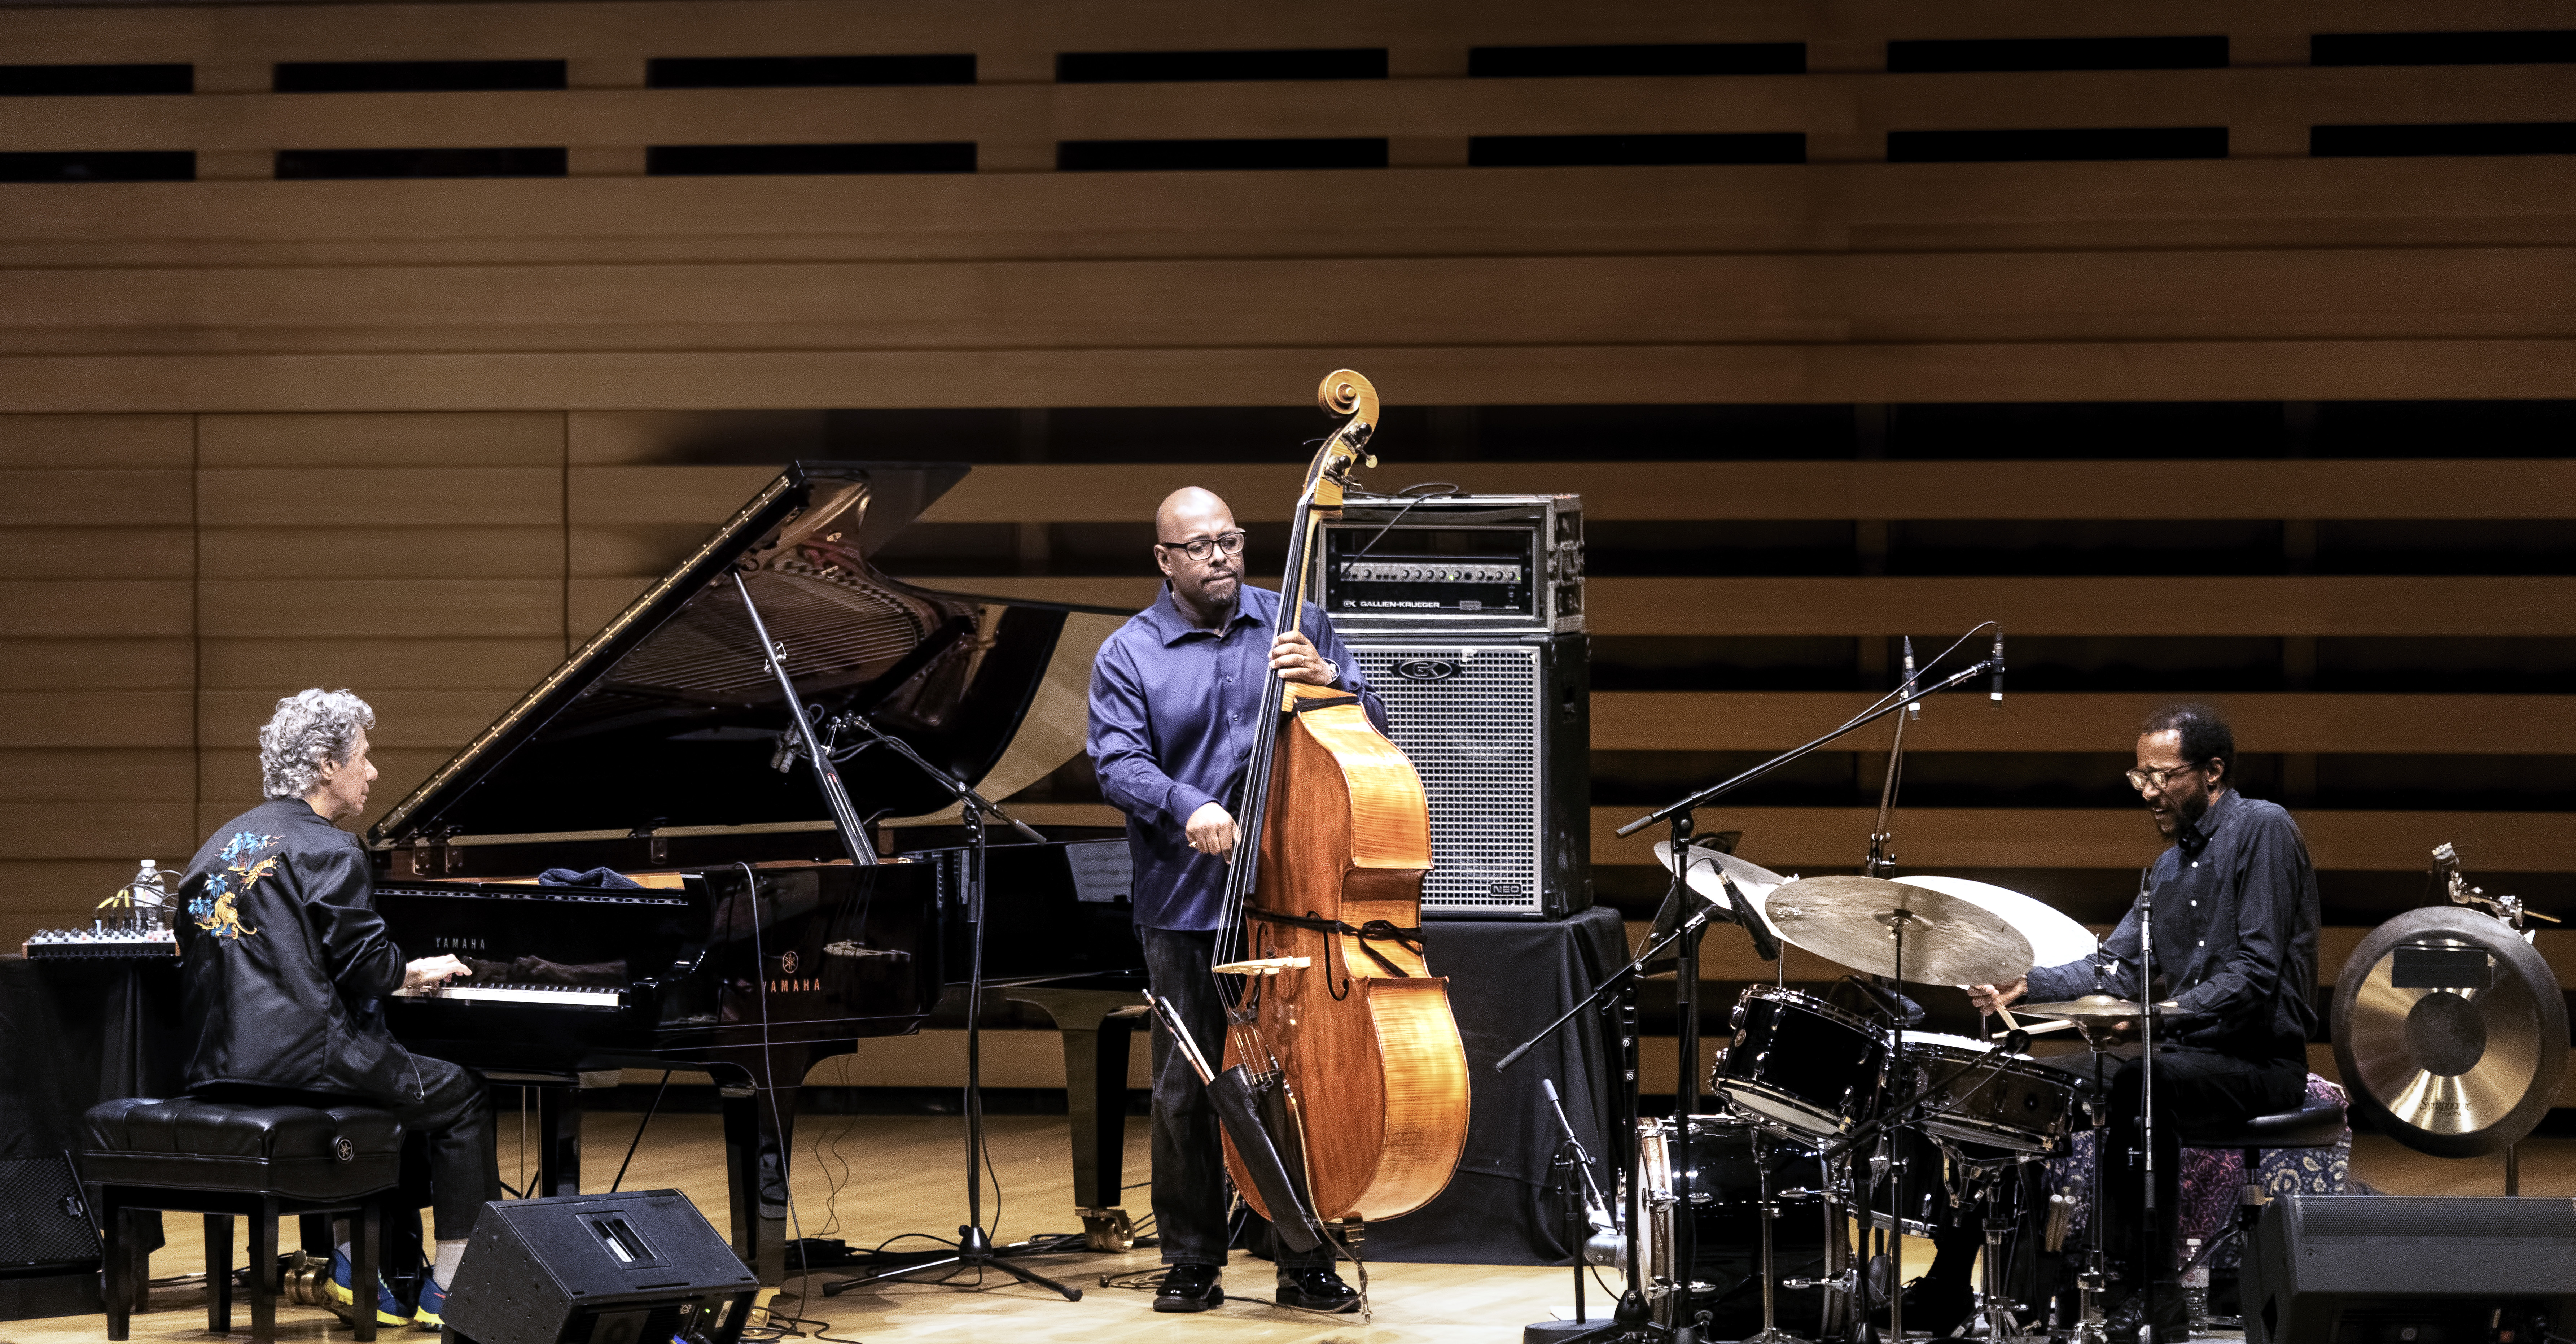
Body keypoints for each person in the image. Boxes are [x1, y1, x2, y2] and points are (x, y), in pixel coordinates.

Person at [1085, 487, 1383, 1315]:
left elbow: (1371, 725)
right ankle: (1191, 1259)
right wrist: (1189, 802)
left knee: (1299, 1080)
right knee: (1186, 1085)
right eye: (1200, 545)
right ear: (1165, 560)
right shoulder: (1129, 652)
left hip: (1296, 894)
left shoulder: (1299, 628)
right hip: (1186, 902)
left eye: (1231, 540)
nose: (1220, 556)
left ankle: (1305, 1258)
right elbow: (1115, 761)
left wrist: (1328, 683)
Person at [1969, 703, 2319, 1344]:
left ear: (2213, 772)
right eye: (2140, 778)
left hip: (2258, 1062)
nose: (2149, 792)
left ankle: (2150, 1293)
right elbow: (2117, 968)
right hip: (2182, 1059)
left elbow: (2255, 972)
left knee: (2140, 1085)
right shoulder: (2167, 868)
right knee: (2014, 1087)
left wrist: (2162, 1014)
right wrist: (2028, 984)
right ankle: (2012, 1286)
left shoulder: (2263, 828)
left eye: (2164, 776)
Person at [174, 688, 499, 1331]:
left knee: (381, 1093)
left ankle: (357, 1271)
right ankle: (452, 1288)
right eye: (365, 757)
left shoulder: (214, 850)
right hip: (308, 1063)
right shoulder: (330, 848)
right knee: (463, 1095)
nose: (373, 772)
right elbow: (368, 969)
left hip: (218, 1069)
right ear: (326, 764)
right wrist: (413, 971)